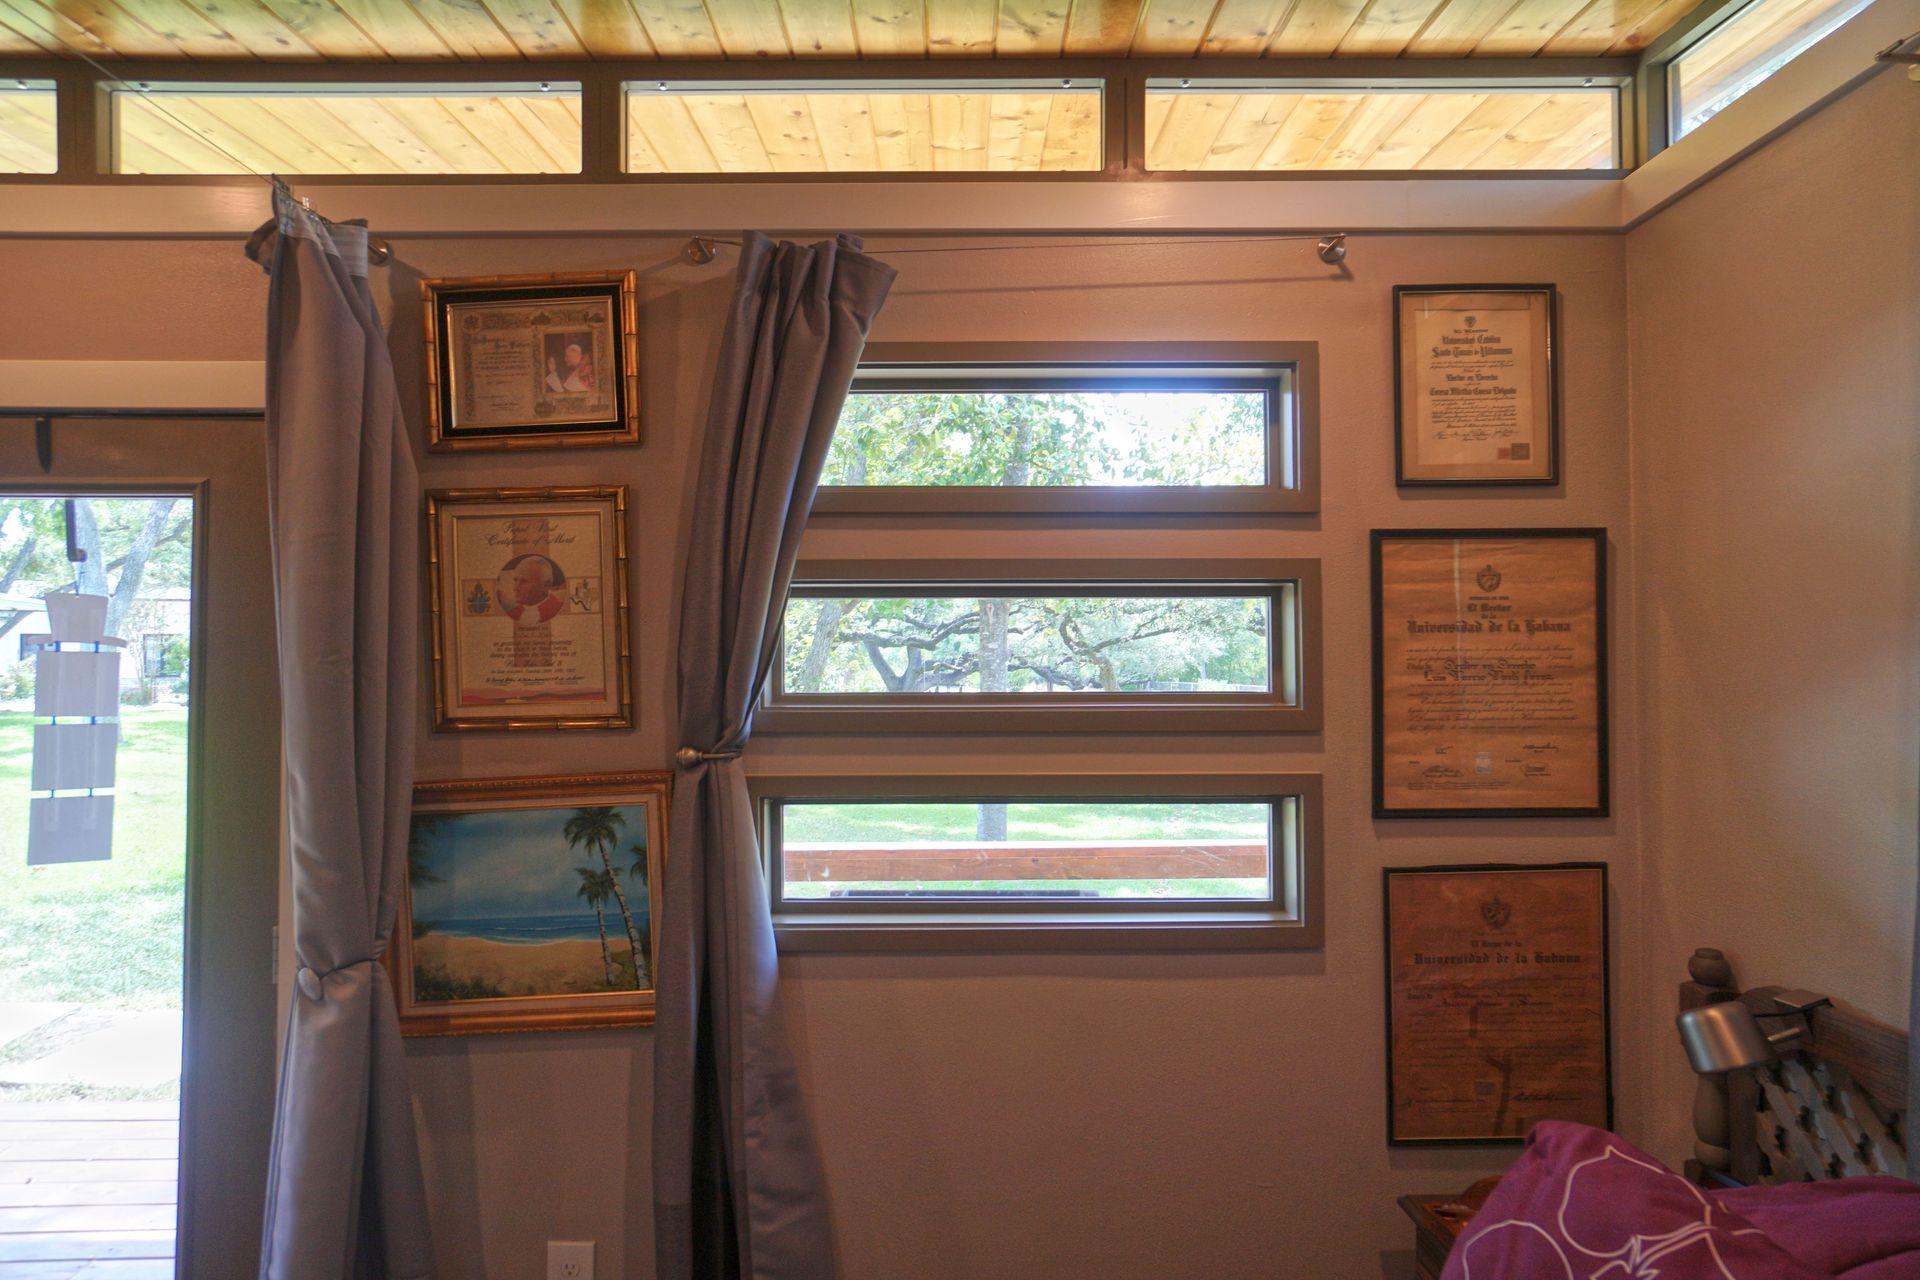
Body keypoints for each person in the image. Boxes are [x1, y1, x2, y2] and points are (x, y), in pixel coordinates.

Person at [493, 554, 568, 625]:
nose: (515, 588)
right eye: (515, 580)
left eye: (524, 581)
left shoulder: (559, 611)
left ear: (546, 585)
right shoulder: (511, 613)